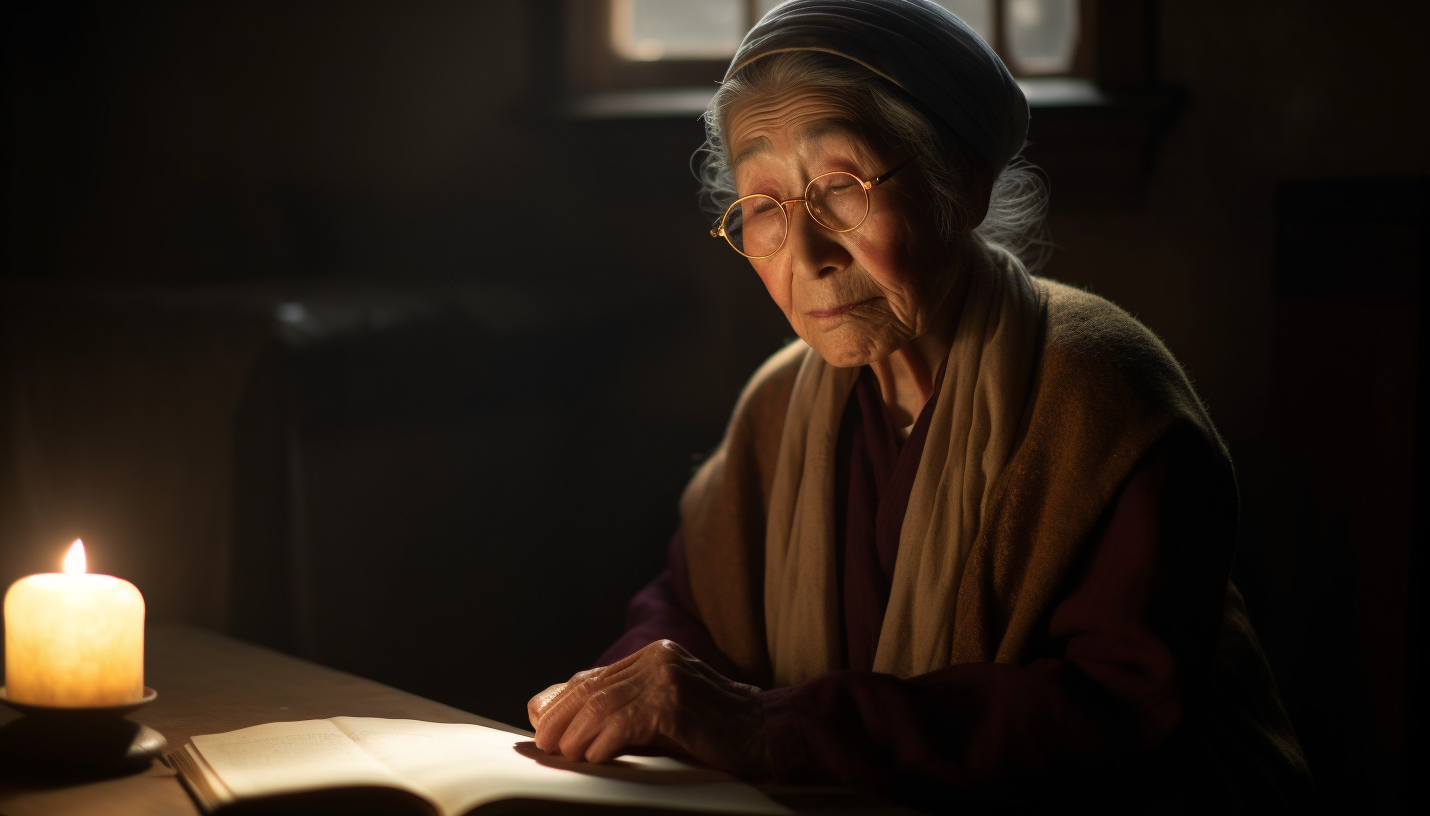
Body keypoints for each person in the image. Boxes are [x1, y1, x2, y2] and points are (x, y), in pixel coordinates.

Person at [528, 0, 1313, 810]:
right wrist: (628, 690)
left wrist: (775, 726)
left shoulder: (1102, 396)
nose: (806, 256)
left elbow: (1116, 717)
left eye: (841, 187)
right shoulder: (776, 406)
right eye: (764, 206)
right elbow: (692, 609)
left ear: (962, 184)